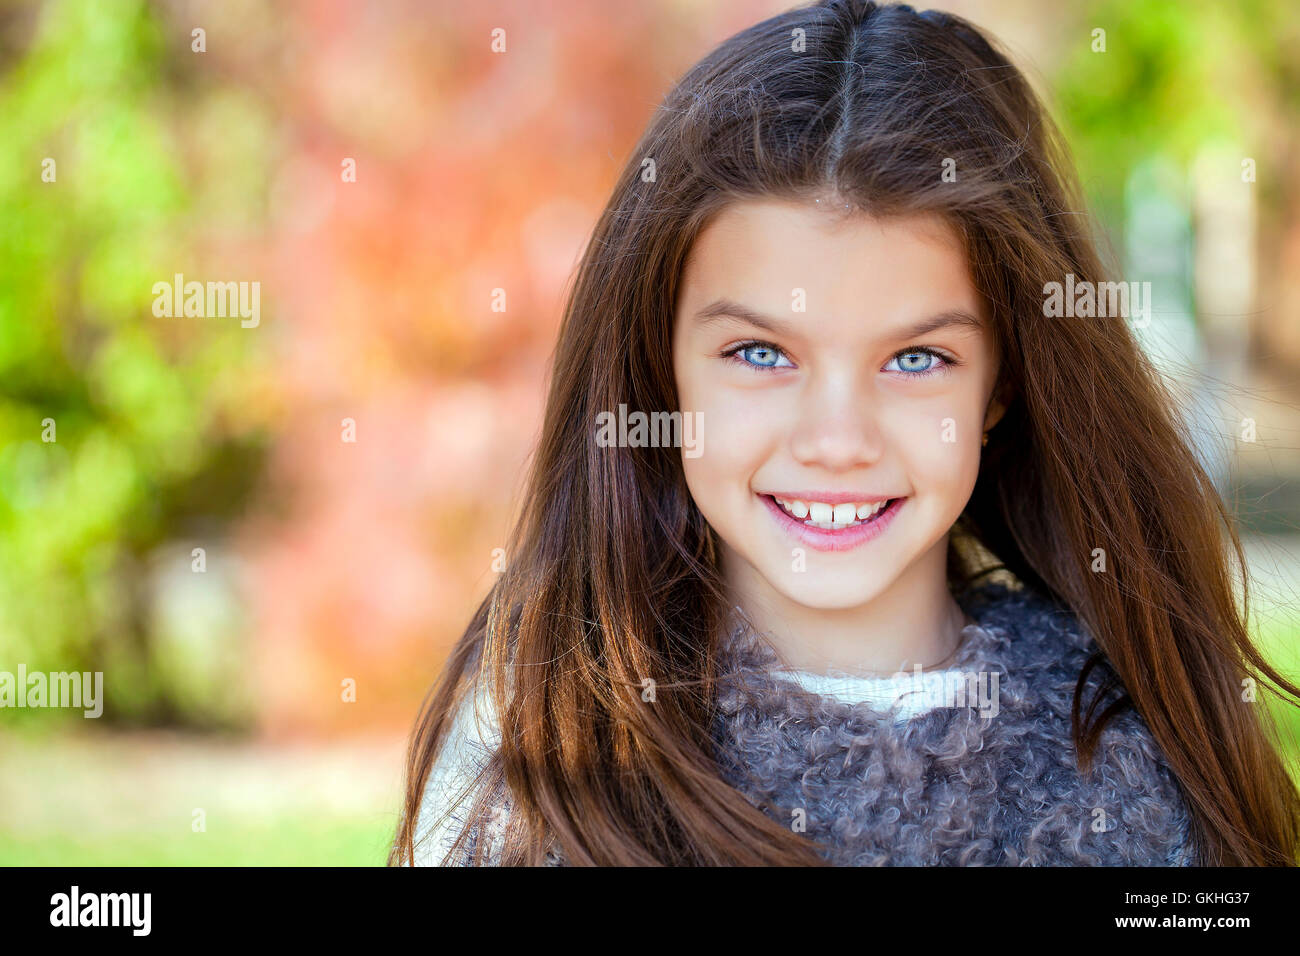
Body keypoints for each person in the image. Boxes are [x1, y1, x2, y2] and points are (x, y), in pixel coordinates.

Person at [390, 0, 1300, 866]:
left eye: (915, 360)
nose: (837, 440)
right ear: (658, 367)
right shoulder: (528, 775)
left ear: (1002, 384)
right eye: (758, 353)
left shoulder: (1139, 764)